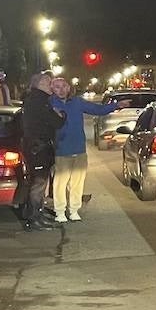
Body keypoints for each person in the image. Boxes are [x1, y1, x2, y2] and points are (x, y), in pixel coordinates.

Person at [50, 77, 116, 223]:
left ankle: (74, 210)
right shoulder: (50, 104)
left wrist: (115, 106)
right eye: (56, 87)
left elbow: (97, 110)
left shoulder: (77, 102)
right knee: (60, 183)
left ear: (68, 88)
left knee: (77, 182)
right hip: (62, 150)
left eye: (63, 86)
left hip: (79, 148)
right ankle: (60, 211)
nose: (60, 90)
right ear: (52, 90)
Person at [16, 74, 63, 230]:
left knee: (39, 183)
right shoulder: (39, 101)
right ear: (41, 84)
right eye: (49, 83)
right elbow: (56, 122)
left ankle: (38, 214)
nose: (52, 86)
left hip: (38, 147)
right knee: (38, 184)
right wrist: (61, 115)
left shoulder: (36, 100)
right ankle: (34, 218)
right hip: (38, 148)